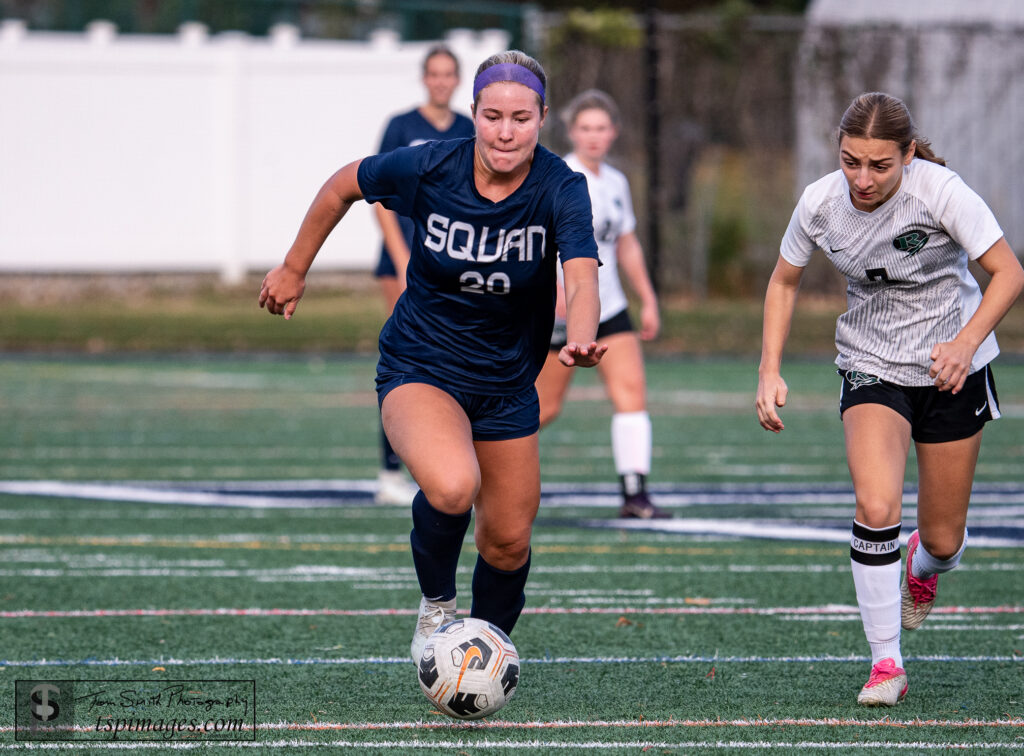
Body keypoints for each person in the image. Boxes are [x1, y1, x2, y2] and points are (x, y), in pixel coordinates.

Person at [259, 50, 606, 663]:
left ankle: (482, 660)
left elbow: (579, 275)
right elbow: (345, 183)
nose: (505, 131)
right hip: (421, 364)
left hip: (505, 383)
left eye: (520, 118)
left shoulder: (561, 186)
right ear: (472, 113)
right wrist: (294, 267)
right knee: (452, 486)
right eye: (493, 115)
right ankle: (437, 607)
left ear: (543, 118)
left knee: (507, 541)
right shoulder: (430, 166)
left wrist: (579, 334)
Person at [756, 92, 1024, 707]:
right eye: (851, 162)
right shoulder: (821, 203)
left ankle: (921, 569)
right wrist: (768, 367)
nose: (863, 178)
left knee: (944, 539)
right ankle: (886, 663)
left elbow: (1008, 272)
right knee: (876, 505)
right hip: (872, 366)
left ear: (907, 155)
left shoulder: (941, 190)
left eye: (880, 165)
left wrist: (965, 341)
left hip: (952, 371)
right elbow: (784, 279)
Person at [535, 89, 669, 519]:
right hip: (562, 309)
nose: (593, 136)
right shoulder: (558, 176)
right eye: (585, 128)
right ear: (571, 132)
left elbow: (625, 244)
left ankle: (635, 495)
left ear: (613, 132)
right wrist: (555, 293)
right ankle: (482, 461)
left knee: (631, 394)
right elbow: (541, 243)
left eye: (601, 128)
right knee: (542, 406)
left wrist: (647, 298)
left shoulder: (615, 182)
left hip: (609, 307)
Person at [372, 45, 476, 506]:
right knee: (410, 359)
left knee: (455, 360)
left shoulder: (469, 129)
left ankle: (450, 461)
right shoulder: (401, 125)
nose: (440, 81)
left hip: (450, 265)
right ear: (424, 78)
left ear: (457, 81)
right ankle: (390, 472)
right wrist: (400, 255)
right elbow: (375, 192)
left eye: (448, 74)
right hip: (406, 264)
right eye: (433, 74)